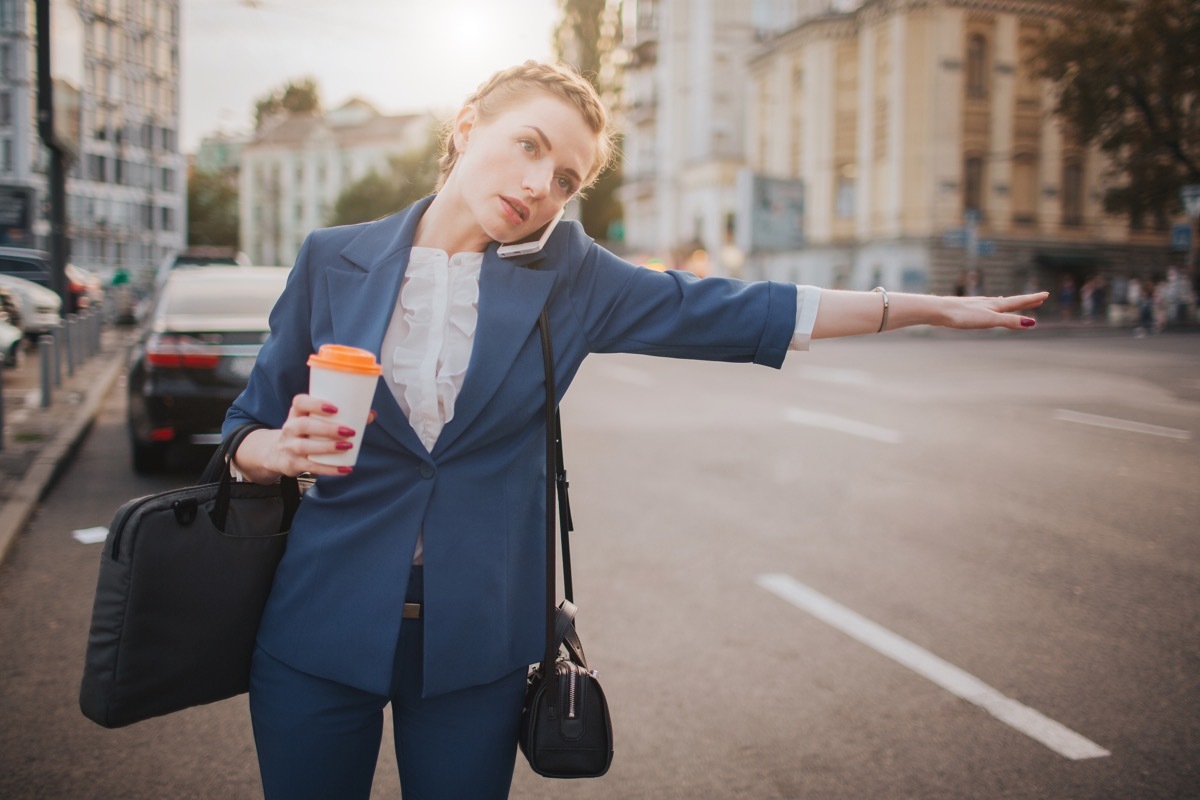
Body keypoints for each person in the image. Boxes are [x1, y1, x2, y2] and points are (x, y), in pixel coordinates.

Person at [222, 61, 1047, 799]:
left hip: (479, 640)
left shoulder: (573, 277)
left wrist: (922, 308)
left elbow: (733, 307)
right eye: (530, 145)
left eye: (567, 178)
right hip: (320, 622)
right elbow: (243, 432)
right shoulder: (334, 258)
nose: (542, 183)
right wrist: (274, 452)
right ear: (469, 127)